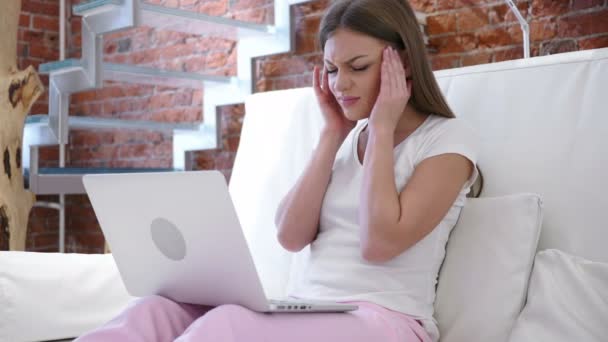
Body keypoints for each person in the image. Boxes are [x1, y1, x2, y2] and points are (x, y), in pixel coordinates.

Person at [76, 0, 479, 341]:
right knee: (153, 311)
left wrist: (383, 127)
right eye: (333, 69)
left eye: (358, 66)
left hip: (387, 321)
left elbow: (378, 244)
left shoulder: (446, 141)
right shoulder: (344, 142)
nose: (341, 84)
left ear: (403, 62)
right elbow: (290, 235)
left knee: (227, 325)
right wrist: (331, 134)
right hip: (314, 311)